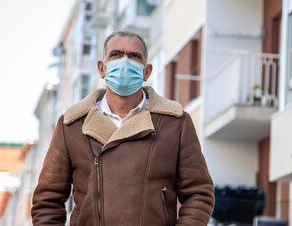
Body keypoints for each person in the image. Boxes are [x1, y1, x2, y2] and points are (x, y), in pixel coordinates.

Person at [31, 31, 215, 226]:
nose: (125, 62)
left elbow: (199, 193)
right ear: (102, 69)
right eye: (116, 54)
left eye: (134, 56)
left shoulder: (175, 123)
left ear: (146, 71)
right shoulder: (72, 125)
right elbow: (47, 201)